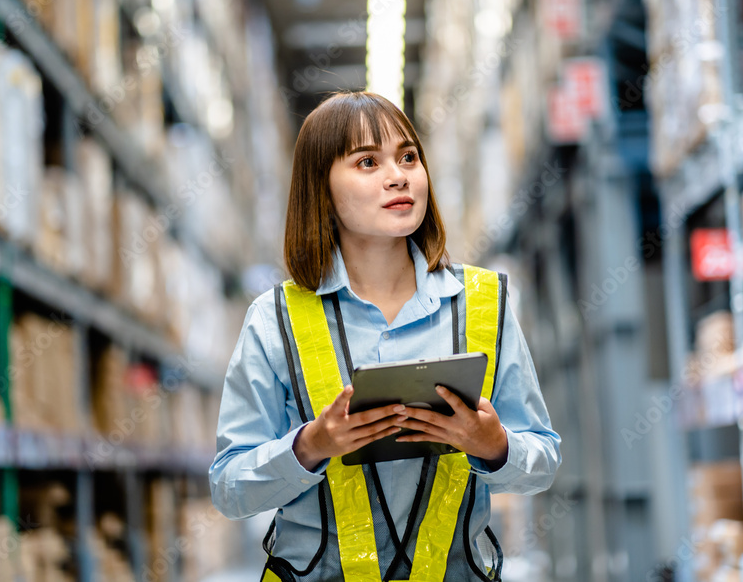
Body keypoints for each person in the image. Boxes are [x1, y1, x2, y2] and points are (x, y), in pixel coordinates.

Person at [208, 91, 560, 582]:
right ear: (321, 189)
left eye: (409, 157)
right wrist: (310, 446)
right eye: (368, 162)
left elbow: (542, 462)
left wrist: (493, 443)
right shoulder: (275, 320)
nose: (399, 176)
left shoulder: (486, 303)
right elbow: (229, 488)